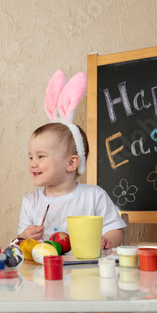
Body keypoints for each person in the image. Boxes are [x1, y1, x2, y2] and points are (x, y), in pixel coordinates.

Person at [17, 70, 125, 249]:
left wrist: (106, 241)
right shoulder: (31, 201)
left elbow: (115, 230)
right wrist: (25, 236)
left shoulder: (94, 196)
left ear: (71, 163)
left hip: (87, 272)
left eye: (41, 156)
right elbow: (21, 243)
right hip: (45, 273)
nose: (32, 163)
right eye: (31, 157)